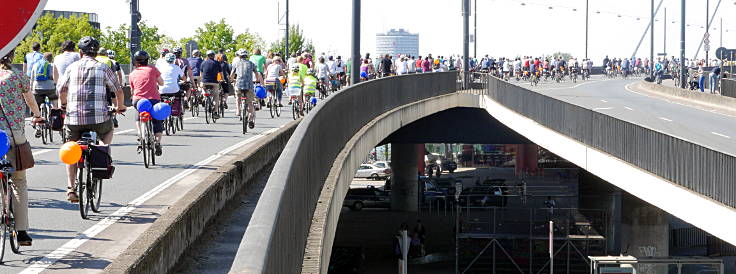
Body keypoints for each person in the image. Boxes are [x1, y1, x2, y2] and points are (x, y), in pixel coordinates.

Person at [57, 36, 126, 202]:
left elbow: (60, 89)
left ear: (80, 52)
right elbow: (118, 91)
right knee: (109, 130)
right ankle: (102, 149)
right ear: (95, 53)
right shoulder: (103, 67)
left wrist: (65, 104)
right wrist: (120, 106)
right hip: (99, 118)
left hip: (74, 120)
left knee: (71, 149)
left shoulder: (72, 67)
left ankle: (71, 188)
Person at [0, 49, 45, 246]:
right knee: (19, 182)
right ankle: (22, 231)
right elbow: (30, 100)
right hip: (14, 134)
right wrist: (37, 116)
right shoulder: (19, 76)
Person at [129, 50, 165, 156]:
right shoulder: (153, 69)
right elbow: (161, 82)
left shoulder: (132, 73)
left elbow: (132, 90)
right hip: (153, 99)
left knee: (138, 115)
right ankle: (157, 142)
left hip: (138, 100)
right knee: (157, 120)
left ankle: (140, 134)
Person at [230, 49, 262, 127]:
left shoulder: (236, 63)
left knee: (238, 96)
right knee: (250, 102)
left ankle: (238, 110)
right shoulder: (251, 64)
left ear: (239, 56)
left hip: (239, 84)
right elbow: (256, 73)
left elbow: (232, 74)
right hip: (249, 85)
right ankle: (250, 119)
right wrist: (257, 80)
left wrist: (232, 80)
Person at [200, 50, 223, 118]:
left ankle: (204, 97)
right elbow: (221, 73)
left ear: (207, 56)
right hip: (214, 82)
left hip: (205, 81)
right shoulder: (217, 63)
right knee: (216, 96)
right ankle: (215, 112)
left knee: (203, 87)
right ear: (213, 56)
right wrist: (222, 79)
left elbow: (201, 73)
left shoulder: (203, 63)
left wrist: (202, 80)